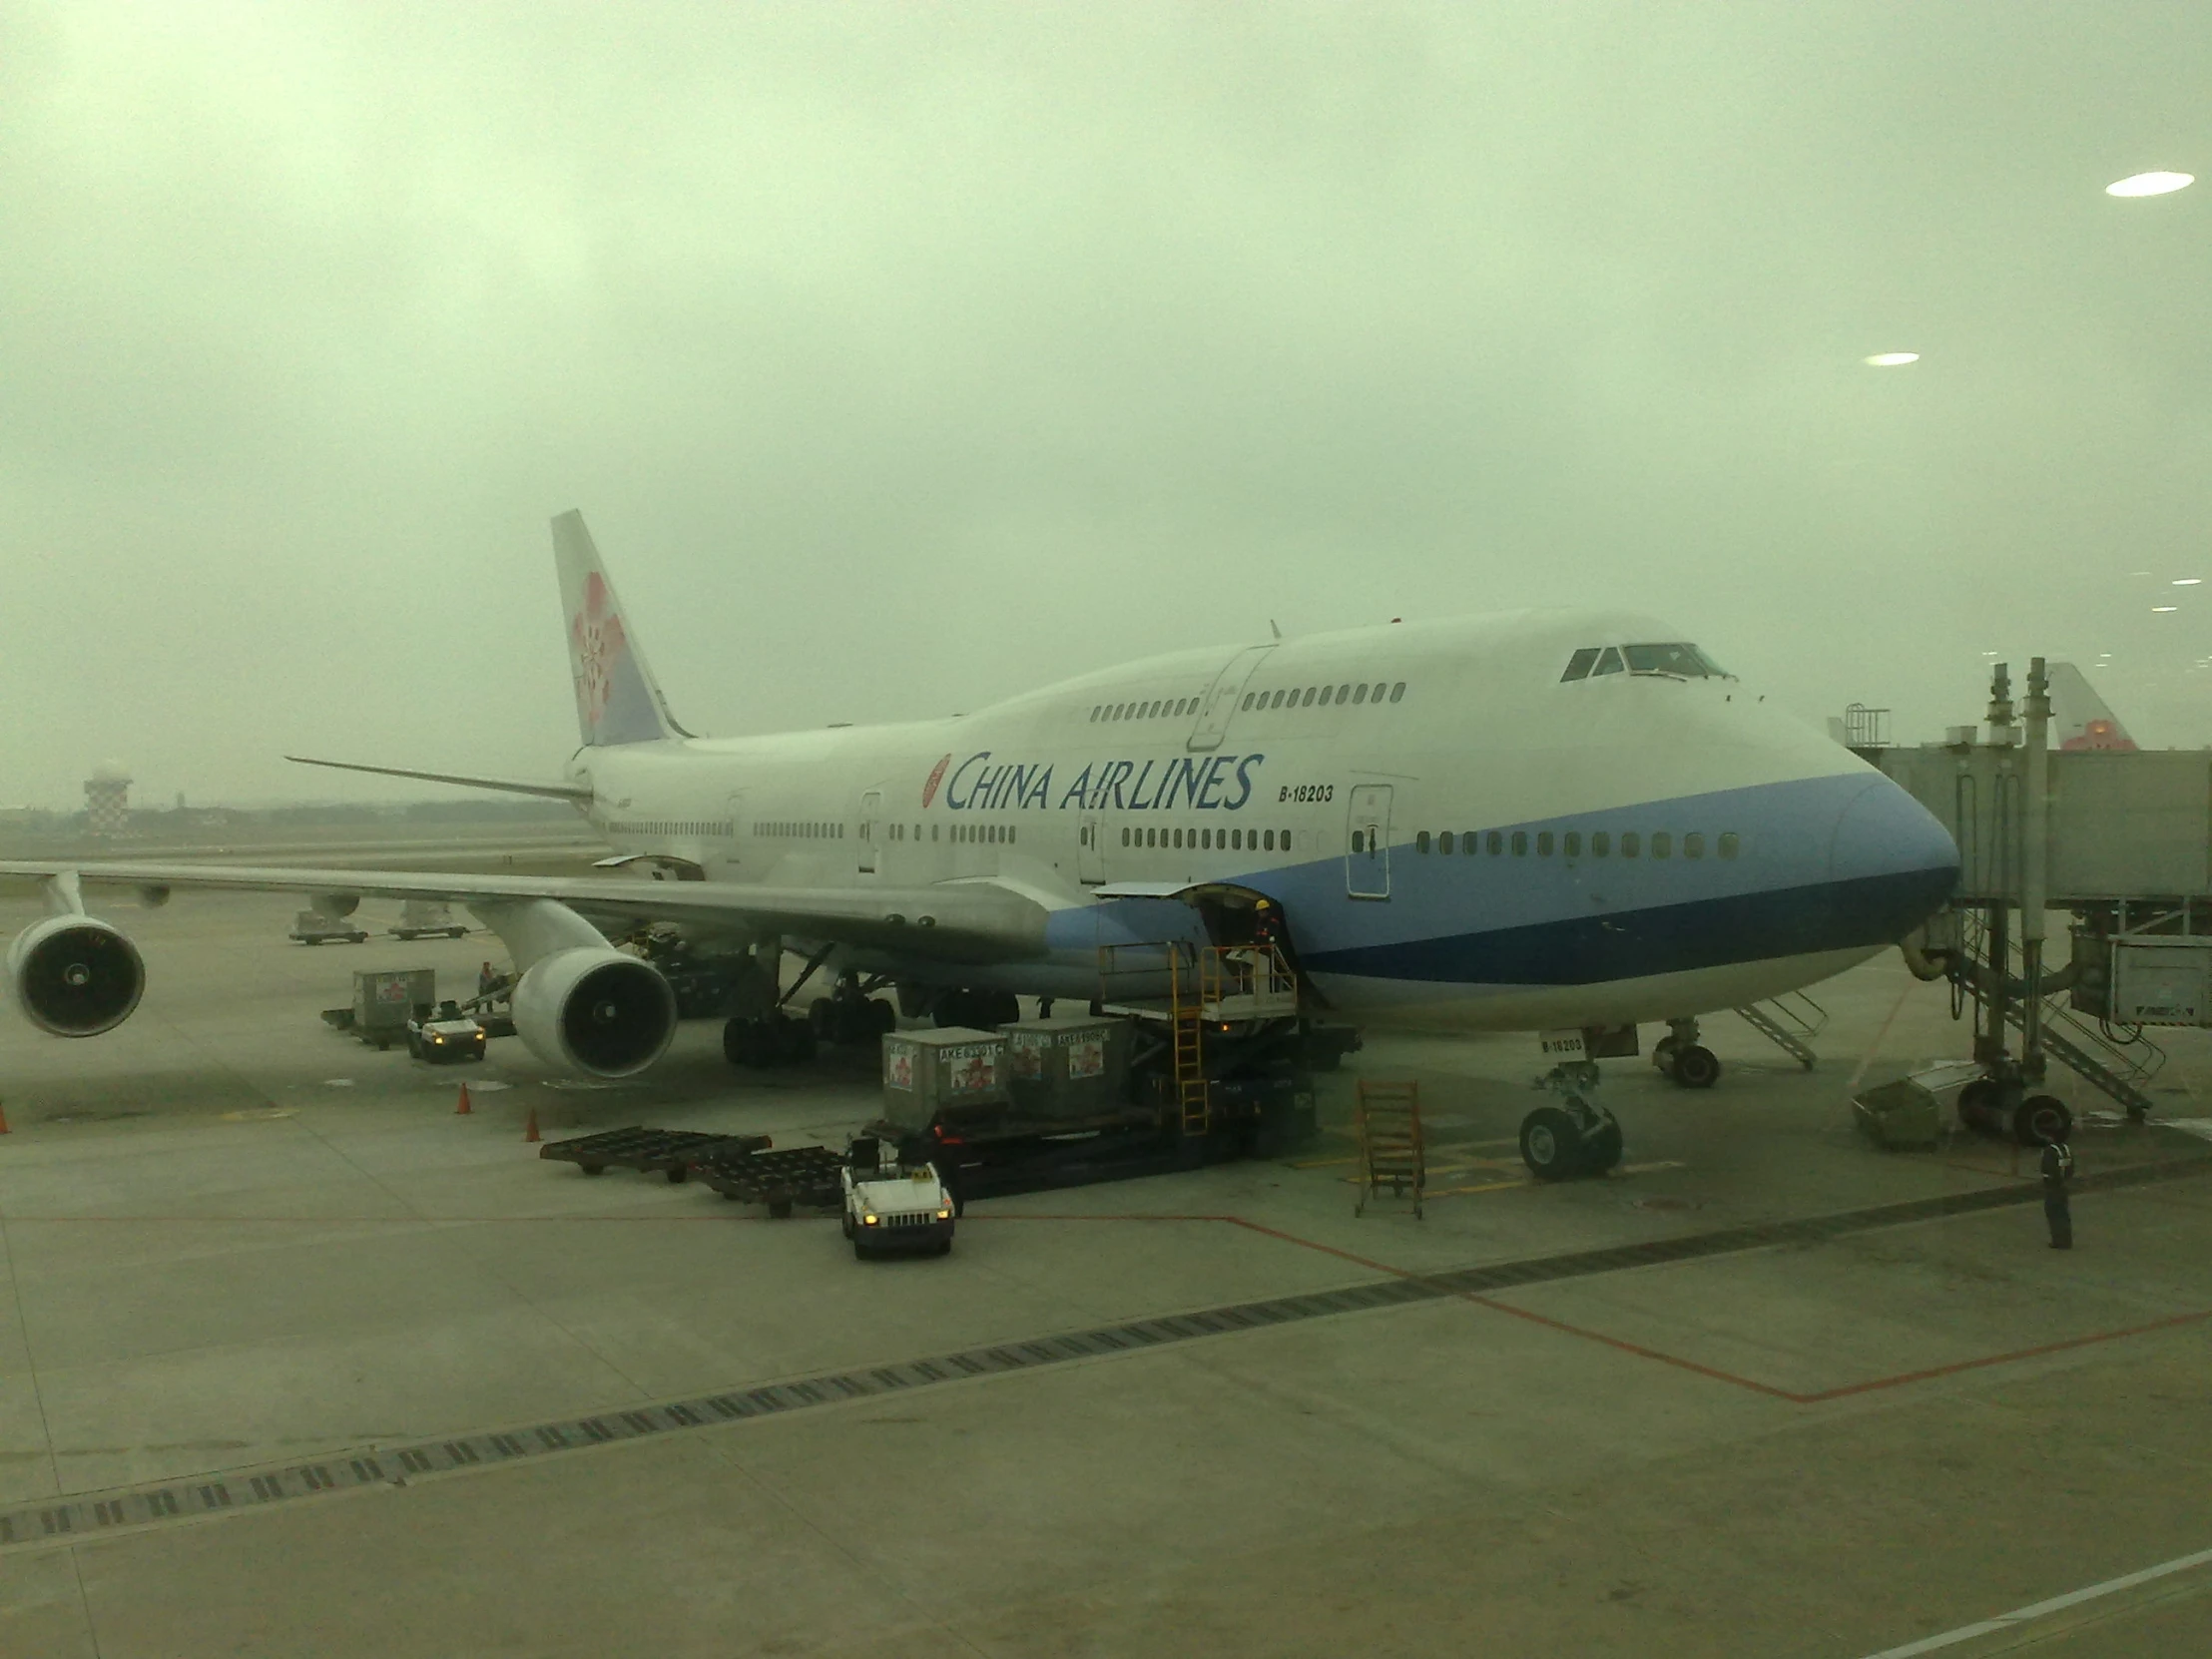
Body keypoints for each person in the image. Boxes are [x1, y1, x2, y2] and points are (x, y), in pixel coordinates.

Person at [2039, 1133, 2074, 1250]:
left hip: (2053, 1186)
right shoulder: (2066, 1149)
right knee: (2063, 1213)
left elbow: (2049, 1169)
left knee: (2053, 1213)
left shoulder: (2050, 1151)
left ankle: (2058, 1240)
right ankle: (2067, 1240)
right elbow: (2071, 1167)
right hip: (2064, 1185)